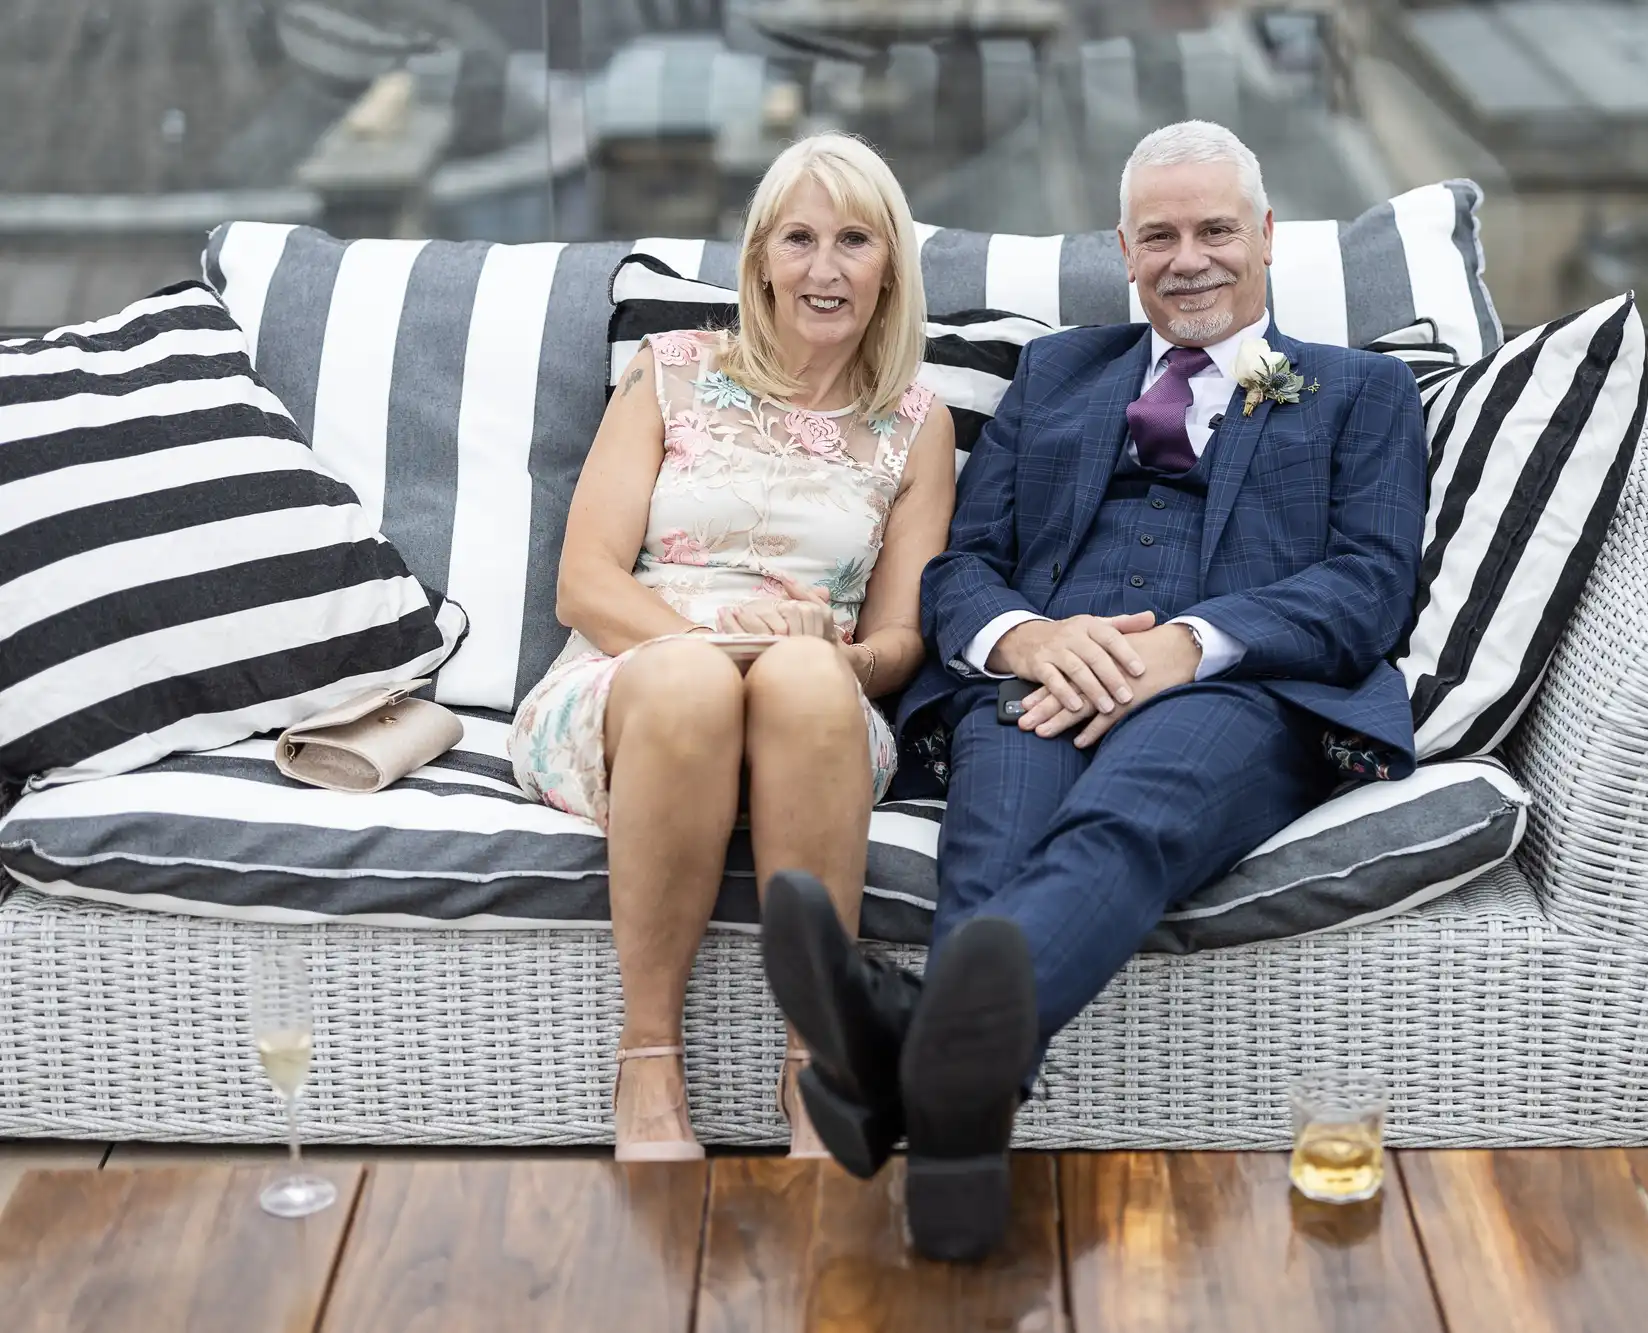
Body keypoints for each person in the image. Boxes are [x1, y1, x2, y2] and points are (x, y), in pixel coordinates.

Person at [759, 121, 1427, 1257]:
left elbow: (1369, 585)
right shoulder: (1060, 372)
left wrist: (1191, 643)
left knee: (1126, 823)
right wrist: (1023, 638)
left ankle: (891, 1053)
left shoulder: (1357, 390)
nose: (1188, 257)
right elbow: (961, 565)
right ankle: (957, 1156)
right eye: (1157, 235)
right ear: (1123, 249)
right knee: (996, 833)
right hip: (1041, 680)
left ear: (1263, 236)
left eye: (1215, 229)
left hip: (1242, 696)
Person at [510, 134, 956, 1161]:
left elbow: (898, 638)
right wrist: (709, 648)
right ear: (758, 258)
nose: (824, 267)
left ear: (889, 262)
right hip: (636, 679)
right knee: (688, 685)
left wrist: (847, 664)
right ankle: (649, 1062)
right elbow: (586, 584)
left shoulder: (914, 423)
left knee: (803, 673)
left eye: (853, 240)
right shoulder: (669, 373)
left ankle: (819, 1068)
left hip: (812, 714)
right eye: (797, 238)